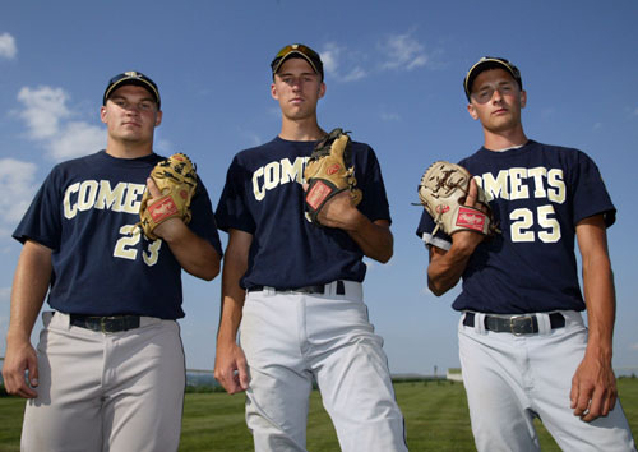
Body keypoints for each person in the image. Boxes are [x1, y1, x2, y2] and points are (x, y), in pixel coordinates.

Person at [417, 56, 636, 451]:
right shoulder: (453, 179)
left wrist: (599, 354)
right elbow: (435, 281)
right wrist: (464, 246)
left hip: (563, 338)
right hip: (485, 345)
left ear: (522, 96)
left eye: (504, 87)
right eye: (484, 93)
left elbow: (596, 260)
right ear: (472, 109)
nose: (496, 97)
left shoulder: (570, 163)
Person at [3, 71, 223, 452]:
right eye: (122, 103)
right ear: (104, 113)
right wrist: (17, 337)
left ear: (158, 116)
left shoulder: (179, 181)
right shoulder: (67, 175)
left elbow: (208, 267)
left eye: (144, 104)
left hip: (150, 342)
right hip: (67, 340)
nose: (132, 111)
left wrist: (173, 229)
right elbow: (36, 255)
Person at [213, 43, 408, 452]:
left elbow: (385, 248)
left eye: (307, 77)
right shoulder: (247, 162)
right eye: (288, 78)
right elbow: (237, 256)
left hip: (342, 313)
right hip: (266, 313)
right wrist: (225, 340)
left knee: (380, 438)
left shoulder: (357, 156)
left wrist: (351, 219)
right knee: (275, 445)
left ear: (322, 88)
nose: (297, 85)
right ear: (274, 90)